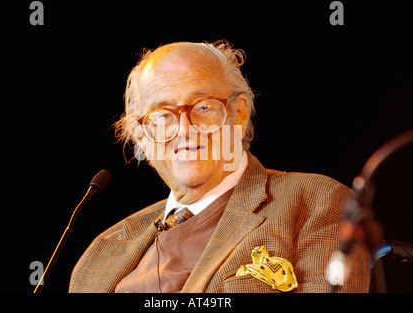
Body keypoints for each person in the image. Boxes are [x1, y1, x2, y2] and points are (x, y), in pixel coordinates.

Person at [69, 40, 370, 293]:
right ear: (140, 135)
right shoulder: (101, 252)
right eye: (162, 115)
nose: (184, 129)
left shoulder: (314, 202)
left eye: (203, 107)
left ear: (238, 114)